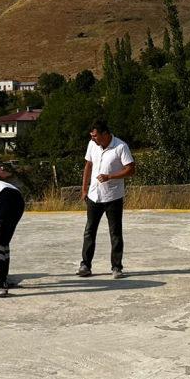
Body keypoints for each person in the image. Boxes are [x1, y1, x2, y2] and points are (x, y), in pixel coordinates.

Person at [77, 119, 135, 279]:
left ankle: (116, 267)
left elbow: (130, 169)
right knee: (89, 231)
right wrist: (84, 189)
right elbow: (88, 166)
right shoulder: (92, 145)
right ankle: (85, 265)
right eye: (91, 136)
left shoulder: (120, 146)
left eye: (95, 136)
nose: (93, 139)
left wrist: (110, 176)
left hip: (113, 196)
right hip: (94, 195)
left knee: (115, 232)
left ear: (105, 134)